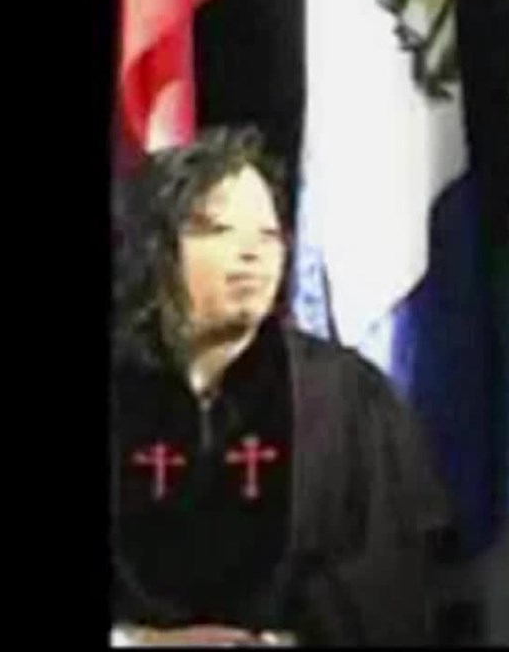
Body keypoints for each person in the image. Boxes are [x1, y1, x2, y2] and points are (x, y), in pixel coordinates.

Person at [110, 127, 465, 646]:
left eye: (268, 235)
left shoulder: (345, 401)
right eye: (217, 230)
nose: (251, 254)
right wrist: (138, 641)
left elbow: (395, 585)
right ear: (156, 247)